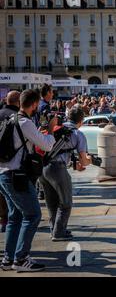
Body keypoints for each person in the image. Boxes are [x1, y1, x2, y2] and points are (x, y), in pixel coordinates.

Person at [0, 89, 57, 272]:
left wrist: (37, 134)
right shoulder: (25, 122)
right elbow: (47, 145)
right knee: (33, 215)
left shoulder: (12, 120)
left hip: (4, 174)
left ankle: (8, 259)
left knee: (15, 217)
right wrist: (50, 129)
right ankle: (21, 258)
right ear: (33, 104)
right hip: (17, 177)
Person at [39, 105, 91, 242]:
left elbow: (62, 151)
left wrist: (74, 165)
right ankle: (59, 233)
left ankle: (55, 229)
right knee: (66, 202)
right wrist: (88, 161)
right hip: (57, 169)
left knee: (51, 202)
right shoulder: (77, 134)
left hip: (42, 168)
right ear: (81, 120)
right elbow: (84, 161)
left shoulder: (58, 128)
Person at [0, 91, 21, 233]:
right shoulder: (17, 117)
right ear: (19, 101)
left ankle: (4, 221)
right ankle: (9, 221)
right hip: (11, 161)